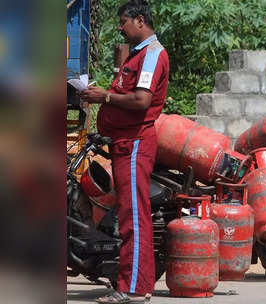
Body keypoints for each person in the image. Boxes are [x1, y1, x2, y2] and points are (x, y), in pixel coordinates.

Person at [81, 0, 169, 303]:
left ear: (140, 20)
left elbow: (142, 101)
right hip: (124, 144)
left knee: (133, 218)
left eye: (123, 22)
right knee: (132, 216)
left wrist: (104, 97)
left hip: (135, 145)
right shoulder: (138, 56)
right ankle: (138, 285)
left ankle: (130, 288)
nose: (120, 27)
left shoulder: (152, 55)